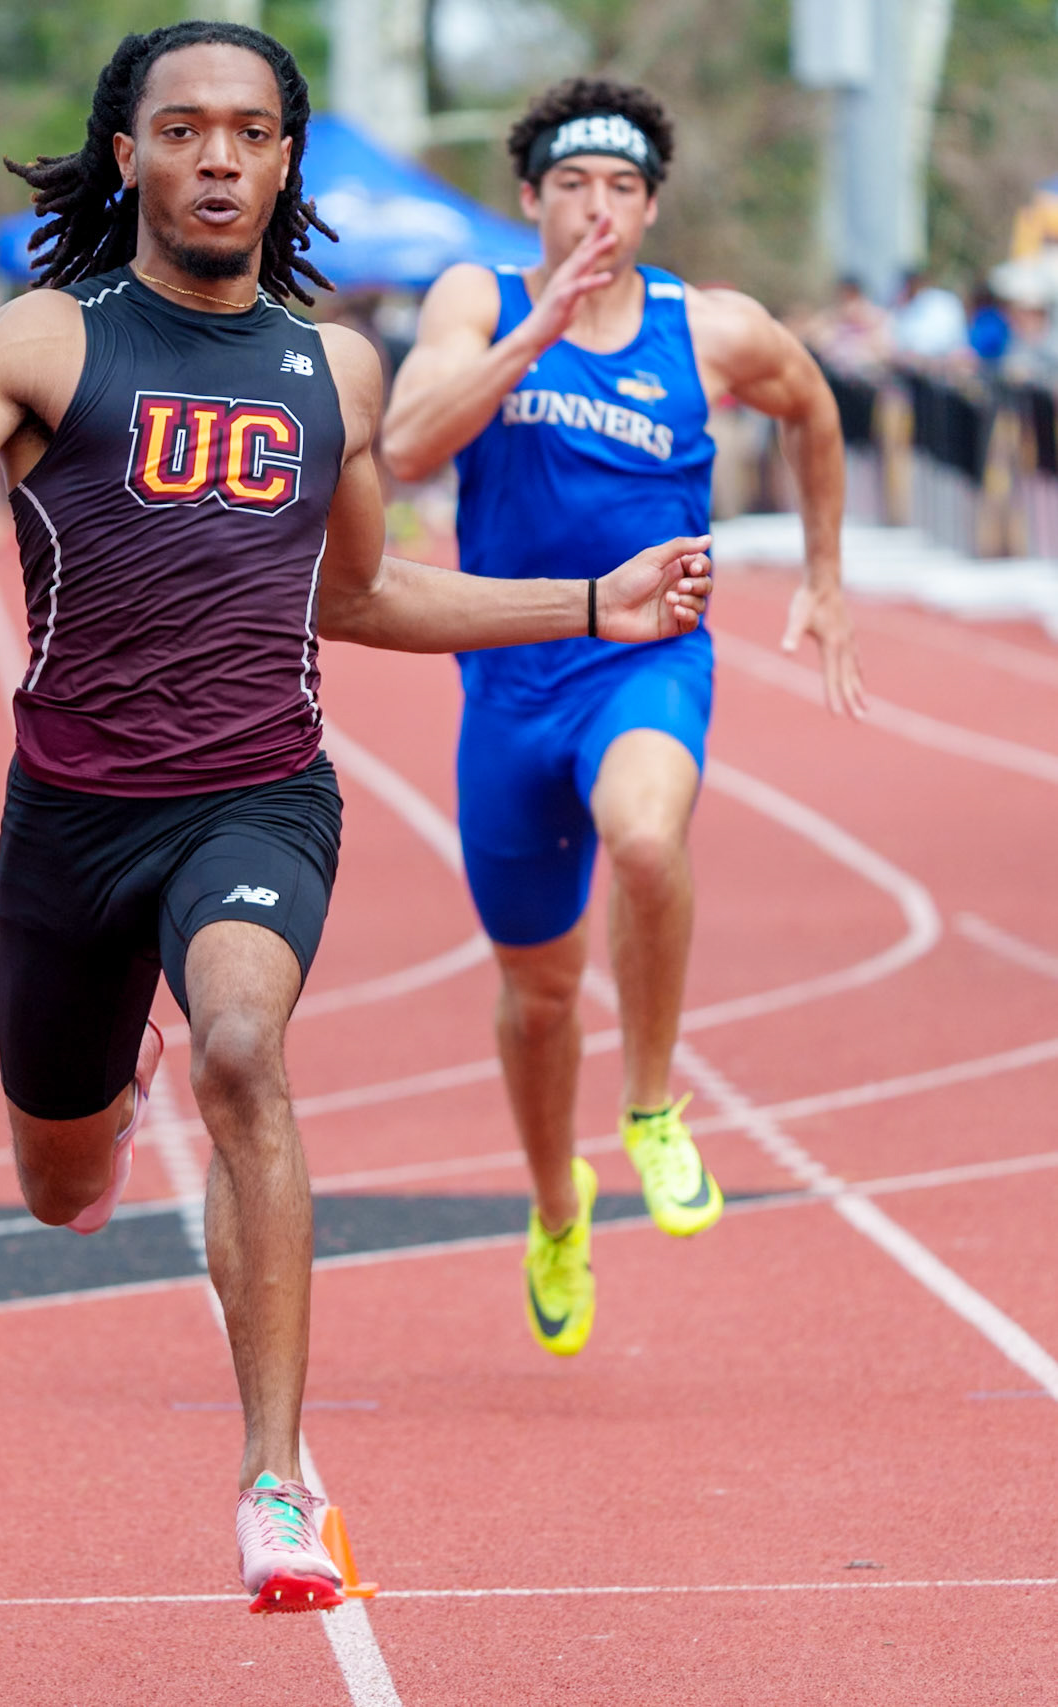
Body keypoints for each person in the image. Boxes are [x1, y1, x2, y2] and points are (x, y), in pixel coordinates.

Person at [0, 26, 712, 1612]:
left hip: (255, 794)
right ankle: (106, 1084)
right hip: (72, 817)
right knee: (57, 1184)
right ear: (128, 156)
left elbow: (358, 595)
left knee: (242, 1049)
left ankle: (273, 1481)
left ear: (285, 160)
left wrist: (591, 601)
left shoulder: (332, 369)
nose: (217, 155)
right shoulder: (42, 342)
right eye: (182, 130)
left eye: (247, 130)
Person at [382, 78, 865, 1361]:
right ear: (530, 199)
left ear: (650, 208)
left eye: (622, 187)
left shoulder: (708, 328)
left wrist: (823, 576)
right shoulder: (477, 300)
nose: (597, 207)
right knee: (539, 995)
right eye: (572, 185)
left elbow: (815, 407)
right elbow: (408, 446)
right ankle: (558, 1205)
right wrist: (535, 329)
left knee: (648, 837)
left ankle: (652, 1105)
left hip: (647, 658)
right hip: (508, 683)